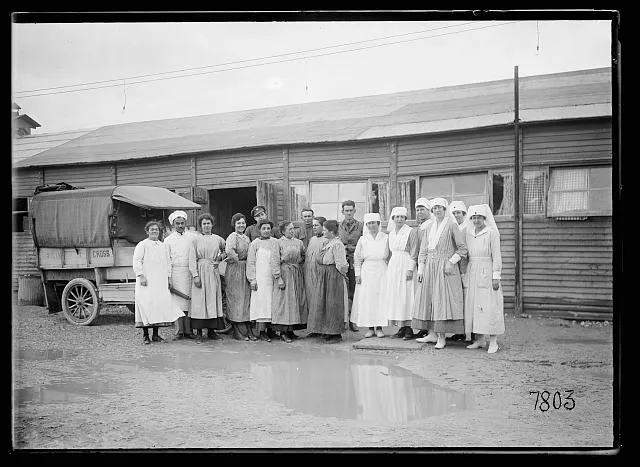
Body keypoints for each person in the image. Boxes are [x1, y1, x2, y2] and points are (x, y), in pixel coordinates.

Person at [413, 198, 468, 349]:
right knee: (429, 298)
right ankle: (431, 334)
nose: (437, 211)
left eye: (440, 208)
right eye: (435, 208)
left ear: (445, 209)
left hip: (445, 267)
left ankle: (442, 337)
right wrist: (421, 269)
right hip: (430, 266)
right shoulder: (429, 226)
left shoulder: (451, 225)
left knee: (441, 300)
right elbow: (423, 250)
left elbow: (462, 249)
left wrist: (451, 262)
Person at [132, 221, 184, 344]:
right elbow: (137, 261)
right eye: (152, 229)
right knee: (146, 305)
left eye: (156, 229)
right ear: (147, 231)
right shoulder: (142, 244)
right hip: (147, 281)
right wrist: (141, 275)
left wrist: (169, 277)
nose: (154, 231)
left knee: (157, 306)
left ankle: (155, 335)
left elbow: (168, 263)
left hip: (160, 281)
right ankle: (145, 335)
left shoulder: (163, 246)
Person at [464, 204, 504, 354]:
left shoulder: (491, 233)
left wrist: (496, 276)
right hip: (472, 270)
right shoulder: (469, 233)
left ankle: (493, 341)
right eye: (473, 218)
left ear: (484, 218)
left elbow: (497, 256)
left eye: (479, 217)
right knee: (474, 306)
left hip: (487, 271)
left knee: (490, 306)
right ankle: (479, 339)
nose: (476, 220)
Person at [307, 220, 349, 343]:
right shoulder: (327, 242)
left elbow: (341, 264)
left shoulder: (337, 244)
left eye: (325, 230)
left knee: (333, 304)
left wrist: (341, 275)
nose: (323, 231)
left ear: (331, 231)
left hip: (333, 277)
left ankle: (336, 333)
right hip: (324, 276)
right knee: (323, 304)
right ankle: (326, 331)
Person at [189, 213, 227, 344]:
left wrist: (219, 258)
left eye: (208, 223)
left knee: (212, 299)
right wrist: (195, 276)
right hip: (201, 270)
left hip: (213, 271)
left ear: (212, 224)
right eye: (204, 224)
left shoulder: (218, 239)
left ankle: (212, 331)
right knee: (200, 302)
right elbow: (192, 259)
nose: (206, 226)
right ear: (201, 226)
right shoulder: (195, 240)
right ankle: (199, 333)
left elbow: (226, 250)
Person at [351, 213, 390, 338]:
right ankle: (370, 328)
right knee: (367, 298)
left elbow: (390, 256)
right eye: (369, 223)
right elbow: (357, 258)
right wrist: (357, 274)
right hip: (367, 271)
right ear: (366, 225)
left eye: (374, 223)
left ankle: (379, 327)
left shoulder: (385, 238)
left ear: (378, 224)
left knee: (380, 298)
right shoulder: (363, 240)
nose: (372, 225)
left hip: (382, 271)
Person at [383, 207, 416, 339]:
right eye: (397, 217)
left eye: (402, 217)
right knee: (396, 295)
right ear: (393, 219)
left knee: (406, 294)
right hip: (394, 265)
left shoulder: (410, 232)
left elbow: (414, 251)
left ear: (405, 219)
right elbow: (389, 253)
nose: (399, 219)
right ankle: (401, 327)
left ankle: (409, 328)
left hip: (406, 262)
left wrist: (410, 268)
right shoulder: (390, 234)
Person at [246, 220, 283, 342]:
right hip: (260, 278)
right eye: (264, 228)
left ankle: (271, 331)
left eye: (268, 228)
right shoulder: (255, 244)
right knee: (262, 304)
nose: (266, 230)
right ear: (259, 230)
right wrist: (252, 279)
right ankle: (261, 331)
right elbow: (250, 263)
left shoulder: (276, 242)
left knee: (273, 304)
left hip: (273, 277)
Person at [272, 221, 308, 343]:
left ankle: (291, 330)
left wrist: (297, 264)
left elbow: (304, 255)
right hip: (285, 273)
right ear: (283, 231)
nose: (292, 231)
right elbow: (275, 261)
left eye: (293, 229)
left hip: (296, 273)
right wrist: (278, 277)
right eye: (289, 229)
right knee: (285, 302)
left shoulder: (299, 242)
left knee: (295, 302)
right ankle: (283, 332)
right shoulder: (278, 243)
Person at [165, 210, 198, 340]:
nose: (180, 225)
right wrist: (169, 277)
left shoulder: (192, 237)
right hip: (176, 272)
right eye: (177, 223)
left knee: (189, 302)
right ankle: (179, 331)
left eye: (182, 223)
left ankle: (189, 331)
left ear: (185, 223)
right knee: (178, 303)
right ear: (173, 225)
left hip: (189, 272)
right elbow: (167, 260)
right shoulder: (168, 240)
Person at [225, 213, 257, 341]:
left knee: (245, 299)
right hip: (235, 269)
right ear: (234, 224)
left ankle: (248, 330)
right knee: (236, 299)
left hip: (245, 268)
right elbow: (229, 251)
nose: (241, 225)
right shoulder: (233, 236)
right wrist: (238, 260)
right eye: (238, 223)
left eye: (243, 223)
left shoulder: (245, 237)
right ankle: (237, 331)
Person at [406, 198, 434, 340]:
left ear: (429, 210)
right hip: (420, 267)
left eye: (422, 209)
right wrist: (412, 268)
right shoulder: (417, 229)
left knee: (431, 298)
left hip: (432, 265)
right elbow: (414, 251)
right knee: (422, 298)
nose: (419, 212)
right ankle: (425, 329)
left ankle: (433, 331)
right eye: (417, 210)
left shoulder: (433, 226)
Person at [337, 200, 363, 332]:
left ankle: (352, 321)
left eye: (350, 210)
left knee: (353, 291)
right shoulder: (338, 226)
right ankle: (341, 320)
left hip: (354, 261)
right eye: (346, 210)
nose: (348, 213)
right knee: (341, 291)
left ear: (354, 211)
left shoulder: (360, 226)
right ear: (342, 212)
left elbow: (363, 243)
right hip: (341, 262)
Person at [449, 200, 471, 342]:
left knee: (467, 298)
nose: (457, 215)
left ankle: (469, 332)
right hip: (455, 266)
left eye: (459, 213)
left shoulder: (468, 227)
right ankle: (460, 331)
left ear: (464, 213)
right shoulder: (452, 227)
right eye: (454, 213)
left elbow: (466, 248)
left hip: (466, 265)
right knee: (458, 298)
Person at [303, 216, 327, 338]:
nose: (314, 228)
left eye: (316, 225)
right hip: (309, 273)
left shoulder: (326, 240)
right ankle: (314, 328)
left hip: (319, 274)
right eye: (313, 226)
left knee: (320, 300)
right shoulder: (312, 239)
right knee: (311, 300)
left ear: (323, 226)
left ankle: (322, 328)